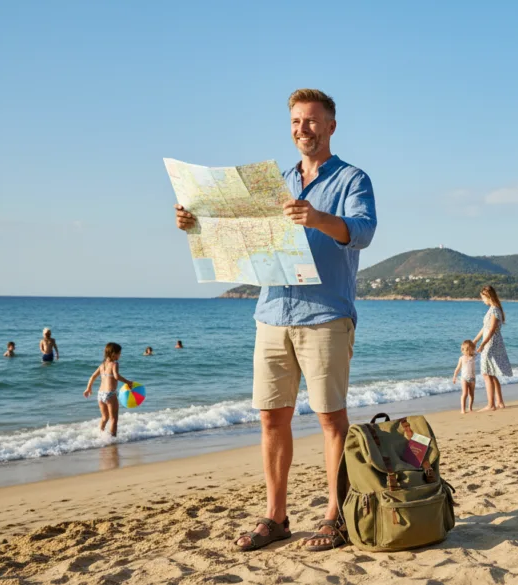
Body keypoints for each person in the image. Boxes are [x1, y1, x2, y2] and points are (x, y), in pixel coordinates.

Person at [175, 89, 377, 552]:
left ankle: (335, 517)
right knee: (271, 417)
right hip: (271, 313)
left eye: (310, 121)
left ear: (330, 126)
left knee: (331, 420)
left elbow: (363, 232)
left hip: (325, 314)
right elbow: (240, 237)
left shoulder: (352, 178)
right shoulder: (275, 183)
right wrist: (196, 223)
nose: (302, 129)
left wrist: (318, 218)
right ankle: (276, 516)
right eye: (295, 122)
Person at [474, 285, 512, 411]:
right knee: (491, 373)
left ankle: (491, 405)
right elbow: (484, 328)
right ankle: (499, 402)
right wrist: (475, 340)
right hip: (491, 342)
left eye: (483, 298)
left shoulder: (495, 309)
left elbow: (491, 330)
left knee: (486, 373)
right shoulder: (492, 309)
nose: (482, 300)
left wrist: (482, 344)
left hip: (491, 342)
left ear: (488, 296)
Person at [84, 343, 133, 437]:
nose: (120, 355)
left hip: (100, 394)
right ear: (113, 354)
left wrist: (88, 388)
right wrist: (128, 382)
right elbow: (116, 376)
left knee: (104, 417)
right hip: (110, 394)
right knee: (114, 419)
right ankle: (112, 439)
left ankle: (100, 436)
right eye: (119, 353)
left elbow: (93, 376)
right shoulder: (115, 364)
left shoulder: (102, 365)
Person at [452, 340, 477, 414]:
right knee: (465, 393)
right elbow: (457, 368)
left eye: (470, 350)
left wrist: (474, 344)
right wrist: (454, 377)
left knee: (471, 394)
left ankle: (470, 408)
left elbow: (478, 351)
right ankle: (462, 409)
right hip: (464, 379)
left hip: (472, 379)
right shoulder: (462, 358)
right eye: (464, 350)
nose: (467, 352)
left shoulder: (474, 357)